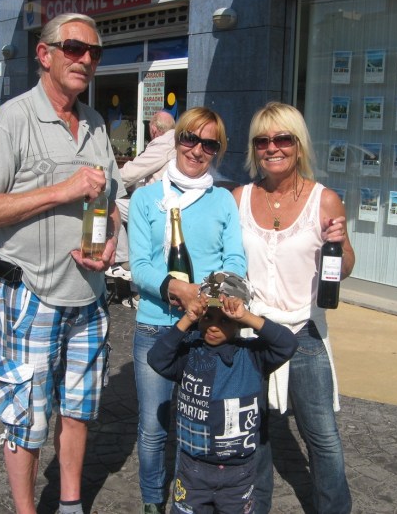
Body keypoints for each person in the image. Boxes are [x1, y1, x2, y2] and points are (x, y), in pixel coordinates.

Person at [0, 13, 125, 514]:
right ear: (44, 53)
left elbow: (111, 201)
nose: (85, 59)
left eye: (94, 52)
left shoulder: (95, 122)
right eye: (74, 48)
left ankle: (71, 504)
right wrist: (62, 190)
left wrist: (111, 240)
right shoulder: (11, 120)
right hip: (30, 294)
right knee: (25, 418)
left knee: (78, 411)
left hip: (88, 299)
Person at [232, 101, 356, 514]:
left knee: (322, 436)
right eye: (262, 141)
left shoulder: (325, 200)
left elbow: (345, 266)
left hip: (304, 332)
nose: (272, 148)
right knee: (256, 431)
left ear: (298, 144)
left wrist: (339, 243)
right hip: (251, 331)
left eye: (282, 138)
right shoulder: (239, 197)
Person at [128, 106, 247, 514]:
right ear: (175, 140)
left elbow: (235, 258)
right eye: (190, 139)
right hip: (156, 327)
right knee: (153, 425)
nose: (197, 150)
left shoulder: (223, 200)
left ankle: (188, 498)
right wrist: (177, 288)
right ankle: (151, 501)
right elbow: (140, 265)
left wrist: (214, 292)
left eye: (208, 144)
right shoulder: (146, 198)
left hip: (205, 329)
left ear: (218, 150)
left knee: (197, 423)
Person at [147, 271, 298, 514]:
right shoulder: (189, 352)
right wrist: (186, 320)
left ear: (238, 324)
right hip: (192, 468)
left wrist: (247, 316)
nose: (214, 327)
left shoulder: (253, 355)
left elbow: (288, 344)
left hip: (239, 472)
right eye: (208, 317)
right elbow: (156, 359)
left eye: (225, 320)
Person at [107, 110, 176, 288]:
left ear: (153, 130)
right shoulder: (176, 141)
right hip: (169, 203)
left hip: (157, 205)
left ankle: (124, 260)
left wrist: (106, 182)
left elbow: (132, 172)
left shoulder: (163, 143)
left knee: (109, 204)